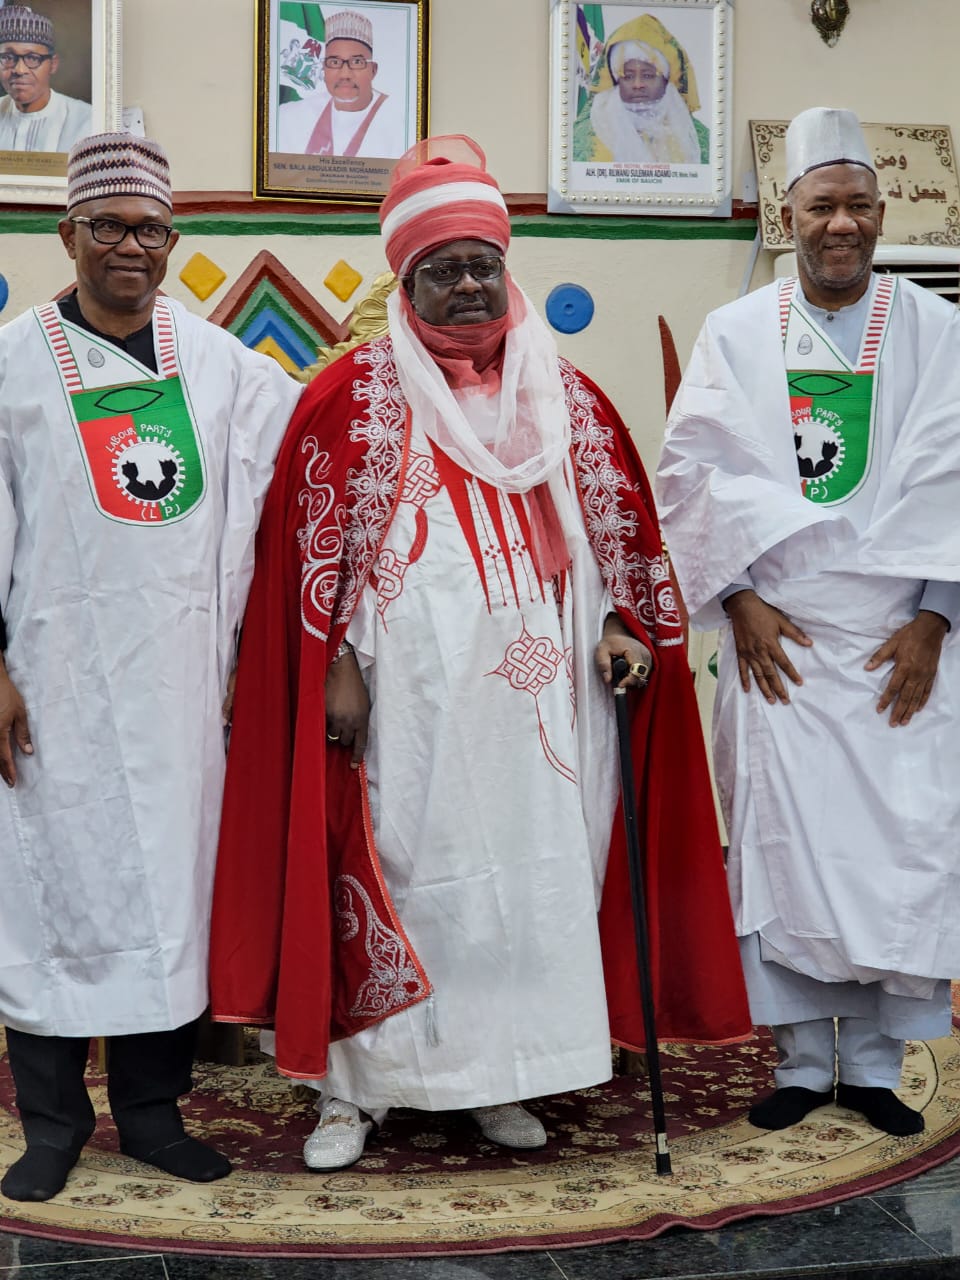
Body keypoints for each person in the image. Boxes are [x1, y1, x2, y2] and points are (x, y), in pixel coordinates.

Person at [209, 134, 750, 1172]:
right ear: (405, 282)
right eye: (442, 270)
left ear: (508, 271)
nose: (467, 287)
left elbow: (615, 550)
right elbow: (312, 574)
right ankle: (354, 1092)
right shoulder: (348, 398)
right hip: (407, 705)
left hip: (544, 713)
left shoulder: (571, 398)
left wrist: (616, 627)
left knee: (535, 879)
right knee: (403, 873)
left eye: (481, 266)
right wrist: (338, 664)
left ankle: (502, 1076)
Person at [0, 131, 302, 1202]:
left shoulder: (219, 362)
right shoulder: (12, 360)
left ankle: (153, 1113)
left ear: (173, 240)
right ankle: (50, 1120)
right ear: (66, 233)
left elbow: (295, 468)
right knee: (47, 894)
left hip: (178, 683)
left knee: (170, 896)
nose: (131, 247)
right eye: (109, 227)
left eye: (150, 230)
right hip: (50, 686)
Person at [656, 106, 960, 1138]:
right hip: (775, 635)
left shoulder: (939, 330)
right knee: (780, 843)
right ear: (786, 217)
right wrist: (736, 599)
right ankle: (794, 1056)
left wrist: (935, 617)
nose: (842, 223)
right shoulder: (735, 334)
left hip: (896, 637)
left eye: (858, 206)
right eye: (820, 205)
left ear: (883, 213)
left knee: (898, 842)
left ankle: (875, 1064)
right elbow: (691, 473)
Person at [573, 14, 707, 166]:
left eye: (648, 75)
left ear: (666, 80)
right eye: (628, 76)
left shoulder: (696, 138)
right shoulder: (585, 136)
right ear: (616, 80)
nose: (637, 84)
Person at [277, 8, 405, 159]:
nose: (345, 74)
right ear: (324, 69)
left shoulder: (400, 120)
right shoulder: (290, 117)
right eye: (334, 62)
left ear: (373, 70)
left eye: (357, 62)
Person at [0, 5, 91, 152]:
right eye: (8, 57)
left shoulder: (86, 120)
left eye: (32, 58)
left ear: (53, 64)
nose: (19, 69)